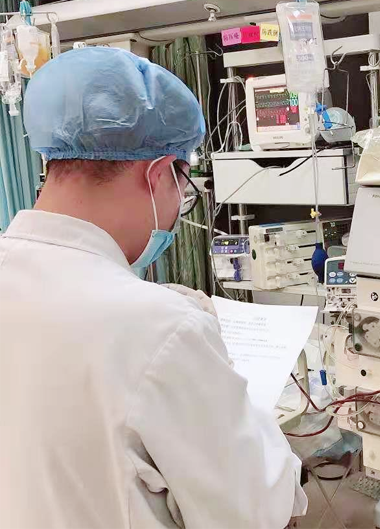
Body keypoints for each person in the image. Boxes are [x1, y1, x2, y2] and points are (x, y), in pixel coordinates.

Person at [0, 47, 306, 528]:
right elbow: (257, 510)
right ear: (159, 173)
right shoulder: (161, 328)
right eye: (184, 187)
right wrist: (223, 377)